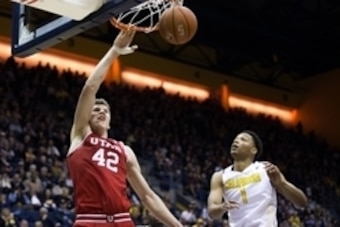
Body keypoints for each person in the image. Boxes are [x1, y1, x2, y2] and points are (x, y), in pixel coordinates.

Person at [66, 29, 182, 227]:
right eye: (95, 110)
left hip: (123, 221)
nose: (101, 112)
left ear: (110, 121)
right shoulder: (80, 136)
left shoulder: (124, 150)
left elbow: (147, 196)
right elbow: (90, 87)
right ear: (86, 117)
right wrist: (115, 50)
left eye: (105, 111)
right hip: (90, 221)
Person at [207, 130, 307, 227]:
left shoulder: (265, 169)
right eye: (235, 139)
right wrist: (222, 207)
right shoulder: (220, 176)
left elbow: (302, 202)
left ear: (253, 150)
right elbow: (212, 212)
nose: (236, 141)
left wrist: (281, 183)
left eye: (243, 139)